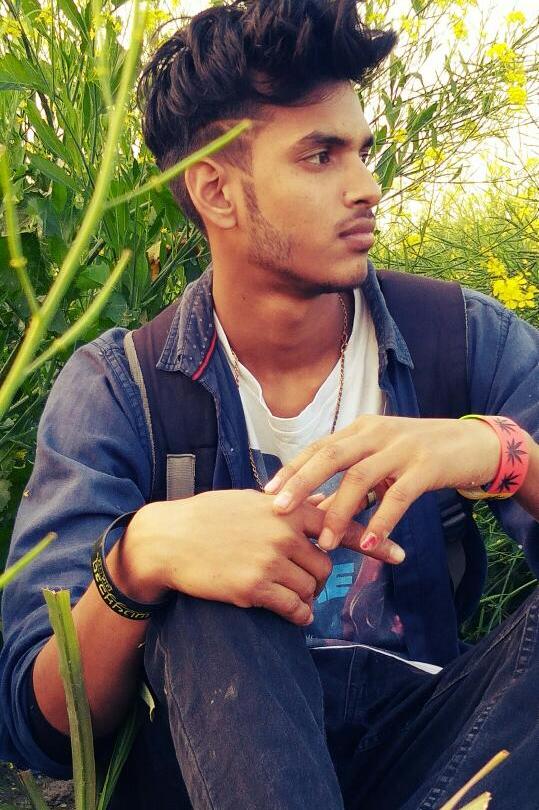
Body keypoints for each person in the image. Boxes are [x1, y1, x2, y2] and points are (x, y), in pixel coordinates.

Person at [1, 1, 538, 808]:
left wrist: (502, 455)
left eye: (362, 152)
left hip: (432, 752)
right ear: (216, 191)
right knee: (207, 584)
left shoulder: (460, 337)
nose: (367, 187)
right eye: (321, 156)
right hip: (206, 770)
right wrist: (137, 563)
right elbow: (39, 724)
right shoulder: (120, 386)